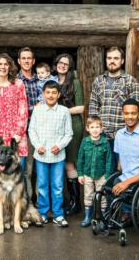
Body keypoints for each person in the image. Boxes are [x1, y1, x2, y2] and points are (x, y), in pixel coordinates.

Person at [28, 81, 73, 227]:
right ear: (43, 94)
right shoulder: (38, 110)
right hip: (41, 155)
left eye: (54, 92)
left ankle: (58, 214)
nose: (51, 95)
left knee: (58, 186)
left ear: (58, 94)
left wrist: (60, 146)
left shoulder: (64, 111)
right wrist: (38, 145)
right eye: (48, 92)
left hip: (58, 156)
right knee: (41, 185)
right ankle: (43, 212)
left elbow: (69, 134)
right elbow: (31, 131)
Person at [89, 46, 139, 167]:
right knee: (103, 171)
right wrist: (95, 130)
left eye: (116, 58)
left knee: (124, 169)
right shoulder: (98, 81)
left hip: (123, 134)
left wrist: (130, 132)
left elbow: (136, 109)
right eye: (109, 58)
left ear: (122, 61)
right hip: (101, 135)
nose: (112, 61)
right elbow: (93, 106)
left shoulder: (130, 81)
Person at [0, 53, 28, 186]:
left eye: (6, 64)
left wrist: (18, 133)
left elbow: (23, 109)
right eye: (0, 64)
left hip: (15, 136)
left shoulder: (18, 84)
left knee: (17, 174)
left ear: (10, 67)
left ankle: (16, 206)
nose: (3, 67)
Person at [53, 53, 84, 214]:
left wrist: (61, 111)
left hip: (73, 125)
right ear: (56, 63)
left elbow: (81, 108)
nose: (63, 65)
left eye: (66, 63)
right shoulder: (51, 82)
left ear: (70, 66)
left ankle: (75, 202)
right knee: (61, 162)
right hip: (56, 127)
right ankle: (69, 200)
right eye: (60, 62)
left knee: (70, 162)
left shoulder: (75, 82)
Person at [77, 117, 112, 227]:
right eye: (92, 127)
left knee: (102, 197)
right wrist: (80, 174)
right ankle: (88, 217)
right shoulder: (85, 141)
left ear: (101, 129)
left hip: (101, 175)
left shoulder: (105, 142)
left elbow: (109, 160)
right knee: (88, 195)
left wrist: (107, 175)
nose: (95, 129)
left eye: (97, 127)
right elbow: (80, 158)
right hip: (87, 174)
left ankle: (102, 219)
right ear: (87, 128)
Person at [17, 47, 38, 201]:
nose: (26, 61)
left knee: (43, 169)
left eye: (29, 58)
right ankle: (28, 201)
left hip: (42, 130)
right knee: (27, 169)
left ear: (33, 61)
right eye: (23, 58)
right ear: (19, 61)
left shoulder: (42, 80)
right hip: (25, 131)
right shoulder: (15, 82)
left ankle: (43, 204)